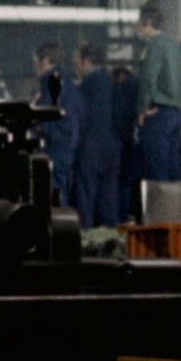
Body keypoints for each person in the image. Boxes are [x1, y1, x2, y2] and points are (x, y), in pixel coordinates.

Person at [135, 5, 181, 183]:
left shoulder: (154, 45)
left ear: (147, 22)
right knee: (173, 165)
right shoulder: (176, 46)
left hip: (158, 113)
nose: (136, 26)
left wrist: (142, 109)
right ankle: (175, 201)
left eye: (138, 22)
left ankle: (160, 202)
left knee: (157, 168)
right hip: (178, 113)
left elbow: (148, 77)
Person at [71, 45, 121, 228]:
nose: (75, 67)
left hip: (91, 145)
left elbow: (81, 116)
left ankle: (86, 236)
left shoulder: (87, 85)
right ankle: (110, 235)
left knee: (86, 195)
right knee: (108, 196)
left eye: (77, 62)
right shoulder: (113, 82)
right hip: (113, 145)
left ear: (87, 61)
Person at [32, 43, 80, 204]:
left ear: (46, 60)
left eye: (36, 62)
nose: (35, 67)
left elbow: (44, 113)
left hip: (55, 143)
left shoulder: (51, 83)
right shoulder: (69, 84)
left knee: (53, 190)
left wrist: (37, 125)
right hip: (66, 142)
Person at [112, 65, 145, 223]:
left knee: (123, 182)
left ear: (120, 76)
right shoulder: (139, 87)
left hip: (126, 143)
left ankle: (122, 216)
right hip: (138, 143)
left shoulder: (124, 88)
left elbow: (121, 117)